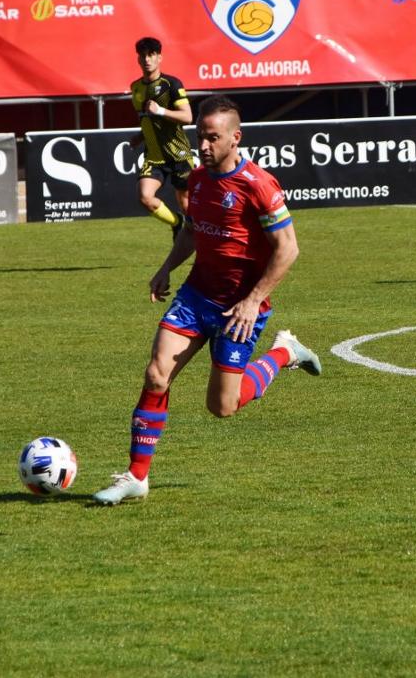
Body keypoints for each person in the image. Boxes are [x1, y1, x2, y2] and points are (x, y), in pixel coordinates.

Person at [93, 94, 321, 506]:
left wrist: (253, 301)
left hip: (239, 307)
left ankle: (285, 353)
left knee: (223, 407)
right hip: (197, 297)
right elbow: (192, 231)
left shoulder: (258, 185)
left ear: (236, 138)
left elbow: (288, 248)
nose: (203, 145)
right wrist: (167, 268)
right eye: (200, 137)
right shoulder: (197, 180)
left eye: (212, 138)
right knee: (156, 374)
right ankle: (136, 476)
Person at [128, 37, 194, 235]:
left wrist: (161, 111)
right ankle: (176, 223)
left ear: (159, 58)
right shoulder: (136, 87)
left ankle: (200, 245)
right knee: (145, 197)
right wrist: (140, 136)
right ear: (138, 59)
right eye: (143, 56)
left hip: (178, 154)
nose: (147, 59)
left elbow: (187, 117)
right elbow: (148, 119)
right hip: (154, 156)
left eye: (151, 55)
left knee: (186, 203)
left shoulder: (171, 84)